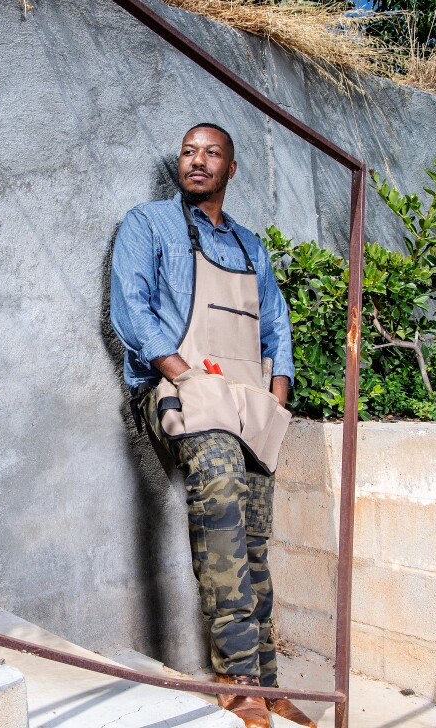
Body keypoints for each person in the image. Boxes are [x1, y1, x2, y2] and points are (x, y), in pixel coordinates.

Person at [109, 123, 313, 728]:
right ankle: (238, 678)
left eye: (212, 153)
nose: (197, 162)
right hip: (181, 390)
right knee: (220, 481)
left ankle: (269, 681)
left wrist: (276, 396)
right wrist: (181, 373)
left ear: (231, 168)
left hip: (249, 400)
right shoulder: (149, 224)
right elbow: (131, 304)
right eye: (188, 152)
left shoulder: (253, 246)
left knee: (253, 531)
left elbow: (276, 327)